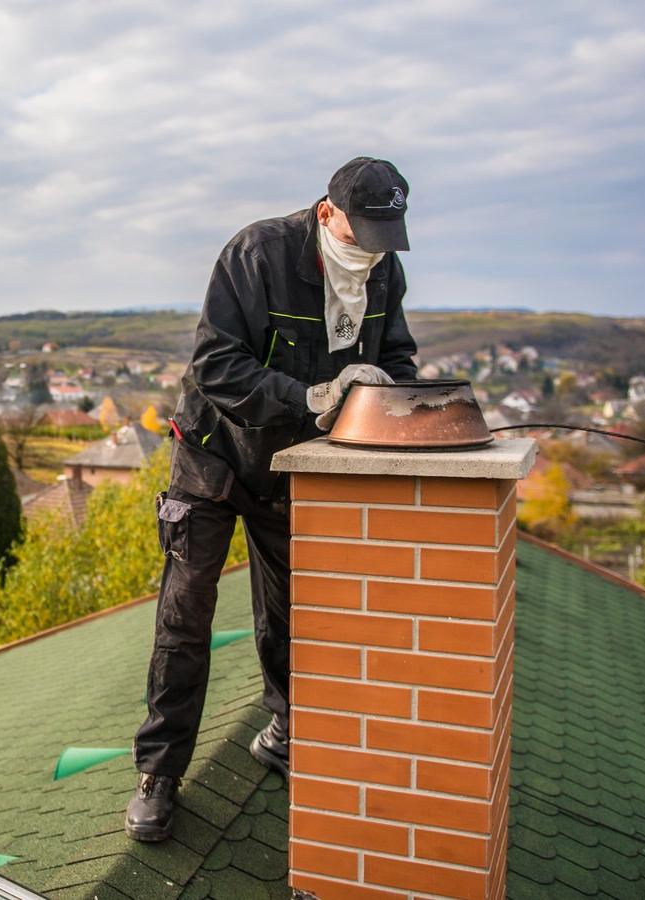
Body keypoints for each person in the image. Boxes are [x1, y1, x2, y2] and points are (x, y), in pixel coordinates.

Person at [125, 158, 421, 842]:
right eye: (363, 232)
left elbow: (398, 357)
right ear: (327, 213)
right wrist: (309, 397)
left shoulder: (384, 271)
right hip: (213, 456)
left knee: (291, 607)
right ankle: (159, 774)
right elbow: (214, 363)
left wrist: (392, 395)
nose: (373, 251)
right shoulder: (258, 254)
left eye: (387, 236)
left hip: (285, 465)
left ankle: (285, 728)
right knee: (186, 612)